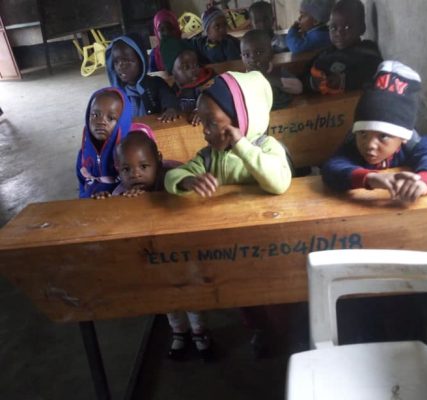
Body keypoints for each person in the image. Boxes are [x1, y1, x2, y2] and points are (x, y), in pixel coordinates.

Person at [165, 71, 292, 357]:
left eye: (212, 123)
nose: (205, 131)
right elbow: (173, 174)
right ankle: (258, 328)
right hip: (233, 244)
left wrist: (241, 145)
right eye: (203, 122)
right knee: (245, 296)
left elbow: (279, 182)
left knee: (274, 297)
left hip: (268, 241)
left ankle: (285, 336)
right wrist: (187, 180)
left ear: (240, 122)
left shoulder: (266, 147)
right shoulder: (210, 156)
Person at [321, 61, 427, 202]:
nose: (369, 144)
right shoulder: (352, 146)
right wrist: (371, 178)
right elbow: (331, 169)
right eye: (363, 133)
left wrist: (423, 181)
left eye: (383, 136)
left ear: (403, 137)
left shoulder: (413, 145)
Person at [307, 0, 382, 94]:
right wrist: (311, 82)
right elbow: (308, 69)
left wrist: (343, 80)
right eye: (333, 28)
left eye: (347, 27)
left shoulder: (367, 52)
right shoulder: (327, 52)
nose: (339, 33)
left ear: (362, 28)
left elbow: (371, 72)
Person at [91, 123, 182, 199]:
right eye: (126, 169)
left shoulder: (174, 175)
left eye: (143, 166)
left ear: (158, 160)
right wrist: (106, 202)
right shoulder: (122, 192)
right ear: (117, 168)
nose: (135, 174)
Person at [105, 33, 180, 121]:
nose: (120, 66)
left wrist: (170, 108)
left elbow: (168, 96)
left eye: (127, 60)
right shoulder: (116, 95)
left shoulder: (156, 83)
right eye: (116, 62)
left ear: (142, 61)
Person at [76, 87, 133, 199]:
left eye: (111, 118)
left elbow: (139, 185)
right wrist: (89, 196)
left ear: (123, 121)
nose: (101, 122)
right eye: (95, 115)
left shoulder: (129, 152)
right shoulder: (83, 154)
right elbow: (82, 185)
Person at [241, 29, 302, 110]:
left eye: (259, 52)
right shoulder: (243, 79)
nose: (253, 58)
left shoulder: (278, 71)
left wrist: (269, 79)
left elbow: (298, 88)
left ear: (271, 54)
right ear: (241, 57)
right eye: (246, 54)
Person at [168, 47, 215, 125]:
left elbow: (214, 102)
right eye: (186, 67)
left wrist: (201, 111)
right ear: (173, 72)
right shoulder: (174, 89)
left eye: (196, 65)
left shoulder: (206, 86)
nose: (192, 69)